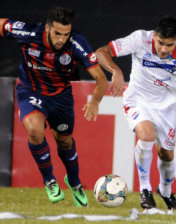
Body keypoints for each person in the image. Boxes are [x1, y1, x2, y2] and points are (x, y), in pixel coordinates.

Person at [96, 17, 176, 210]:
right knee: (146, 135)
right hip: (137, 100)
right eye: (160, 43)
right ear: (154, 36)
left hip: (167, 107)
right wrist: (115, 70)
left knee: (166, 155)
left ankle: (164, 190)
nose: (164, 49)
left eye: (170, 45)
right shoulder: (140, 39)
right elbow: (101, 52)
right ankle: (145, 189)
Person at [0, 7, 107, 207]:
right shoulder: (29, 33)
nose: (61, 39)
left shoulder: (77, 42)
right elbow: (3, 24)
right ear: (48, 28)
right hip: (30, 90)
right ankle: (49, 180)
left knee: (65, 142)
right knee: (34, 129)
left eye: (65, 34)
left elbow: (100, 78)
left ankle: (74, 183)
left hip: (60, 97)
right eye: (57, 33)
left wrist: (94, 101)